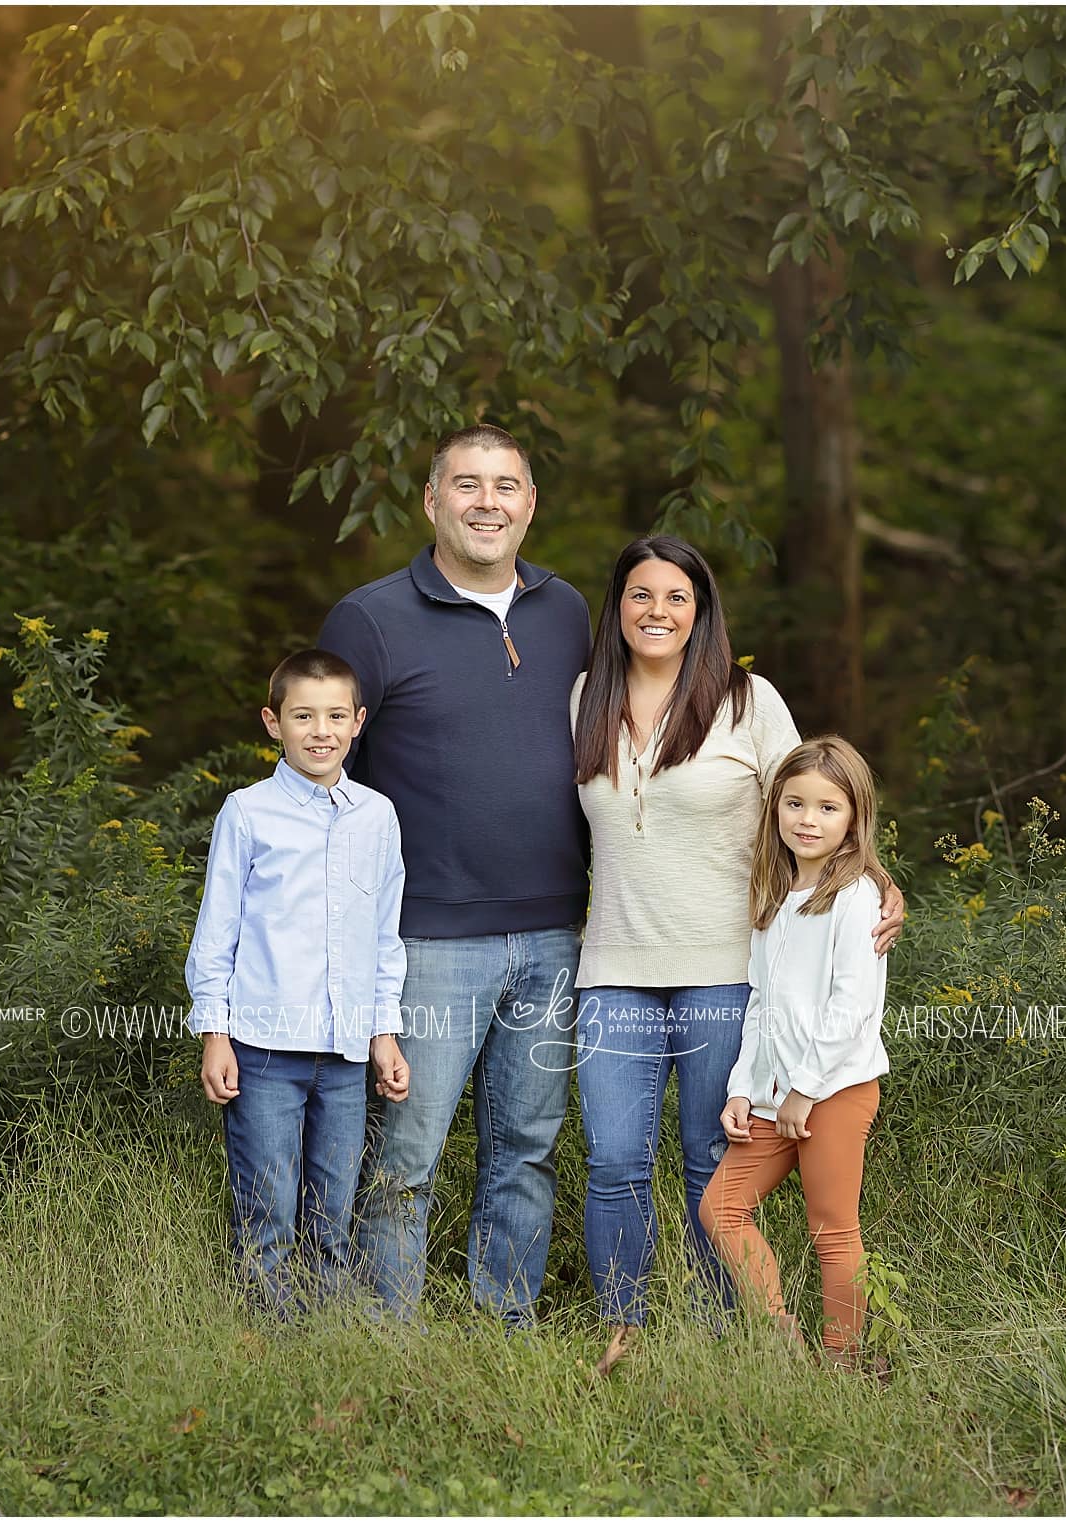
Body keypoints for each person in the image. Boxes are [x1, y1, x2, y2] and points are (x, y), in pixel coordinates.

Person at [571, 538, 905, 1377]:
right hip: (612, 964)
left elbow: (815, 797)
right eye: (640, 595)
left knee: (704, 1159)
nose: (656, 611)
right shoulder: (584, 698)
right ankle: (628, 1328)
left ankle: (722, 1337)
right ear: (616, 606)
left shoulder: (748, 702)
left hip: (727, 967)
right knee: (613, 1159)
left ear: (701, 611)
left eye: (676, 597)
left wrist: (874, 875)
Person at [316, 424, 592, 1327]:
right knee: (406, 1151)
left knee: (526, 1146)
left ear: (529, 505)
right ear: (431, 502)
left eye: (505, 486)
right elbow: (322, 781)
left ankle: (501, 1326)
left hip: (556, 931)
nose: (486, 502)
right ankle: (381, 1335)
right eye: (465, 485)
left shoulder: (568, 613)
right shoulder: (371, 617)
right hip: (427, 938)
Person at [186, 648, 414, 1320]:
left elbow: (383, 936)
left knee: (332, 1211)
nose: (320, 730)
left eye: (335, 715)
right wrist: (214, 1033)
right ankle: (269, 1347)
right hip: (261, 1050)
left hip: (345, 1057)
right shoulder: (248, 813)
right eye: (303, 715)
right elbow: (217, 929)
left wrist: (385, 1035)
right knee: (267, 1209)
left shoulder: (376, 816)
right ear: (272, 722)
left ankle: (329, 1342)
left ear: (358, 722)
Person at [699, 735, 893, 1371]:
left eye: (827, 808)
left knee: (831, 1227)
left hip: (833, 1090)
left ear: (854, 817)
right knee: (722, 1208)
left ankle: (844, 1359)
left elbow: (851, 1006)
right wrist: (740, 1088)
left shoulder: (856, 896)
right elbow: (760, 1004)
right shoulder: (773, 898)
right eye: (795, 804)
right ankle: (780, 1331)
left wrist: (806, 1087)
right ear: (775, 808)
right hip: (774, 1095)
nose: (808, 820)